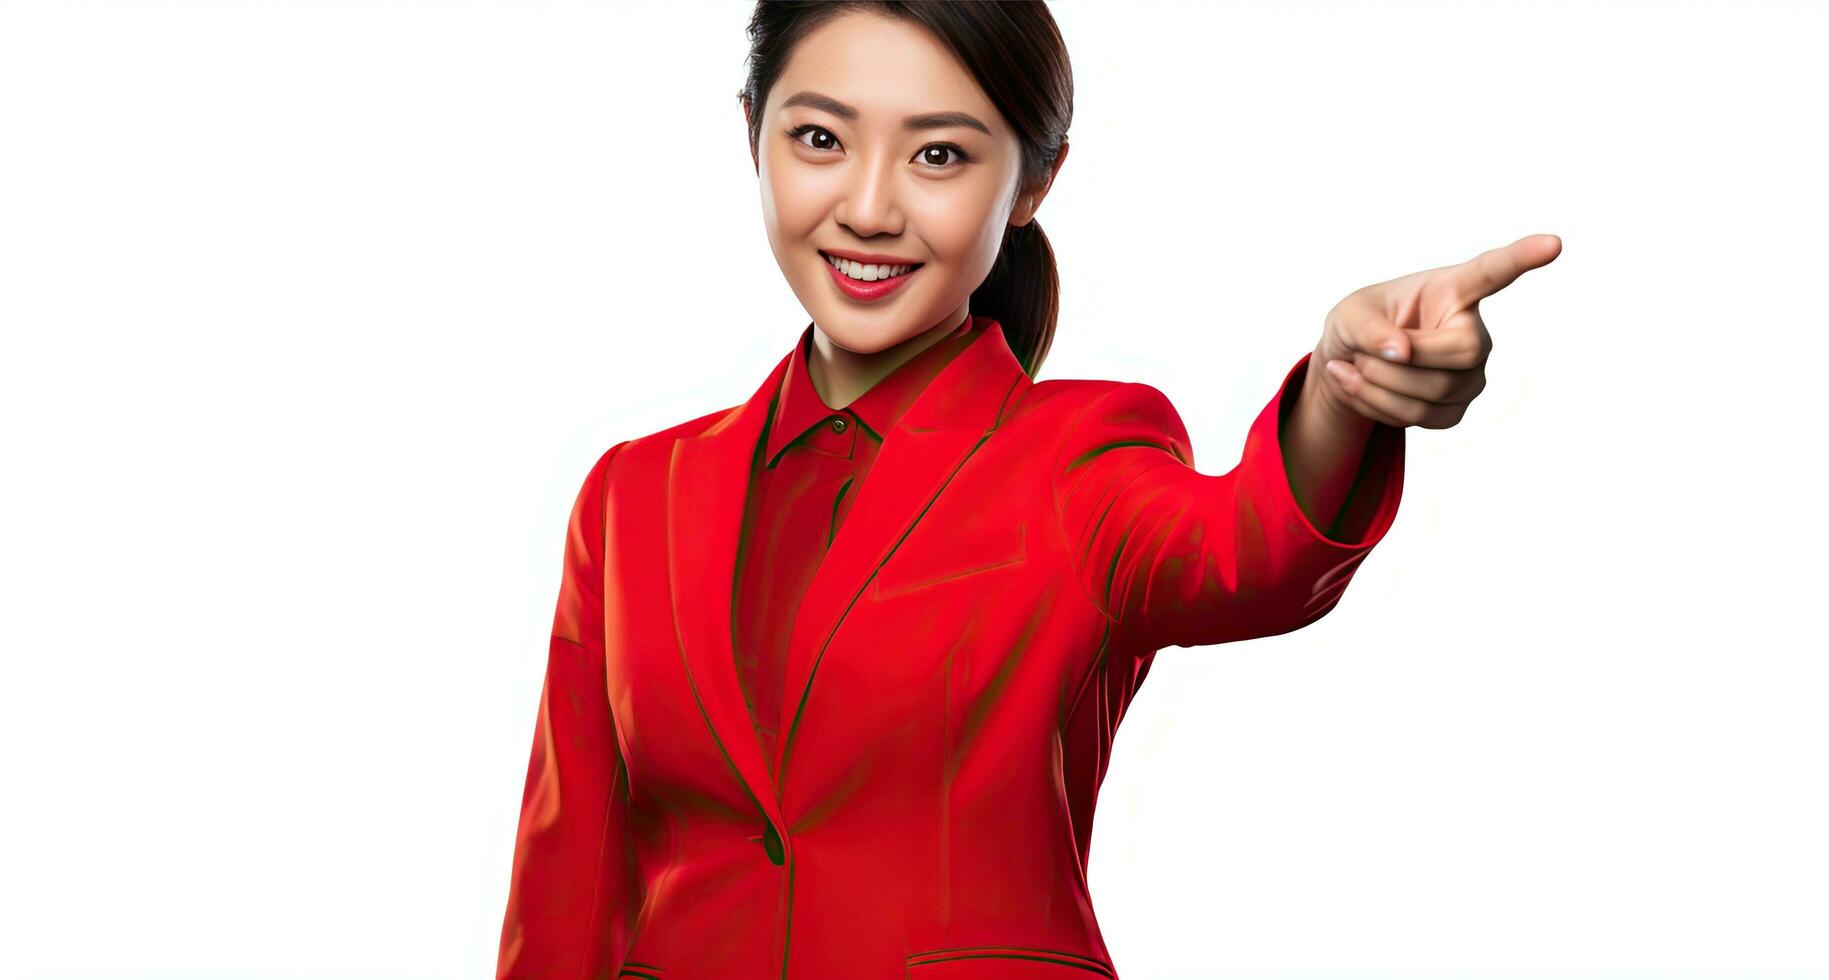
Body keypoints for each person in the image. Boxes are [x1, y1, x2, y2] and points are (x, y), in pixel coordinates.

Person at [496, 3, 1560, 977]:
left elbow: (1245, 551)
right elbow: (567, 883)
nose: (867, 206)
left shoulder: (1077, 457)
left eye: (940, 155)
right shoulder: (632, 493)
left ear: (1033, 182)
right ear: (751, 134)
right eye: (818, 138)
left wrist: (1343, 396)